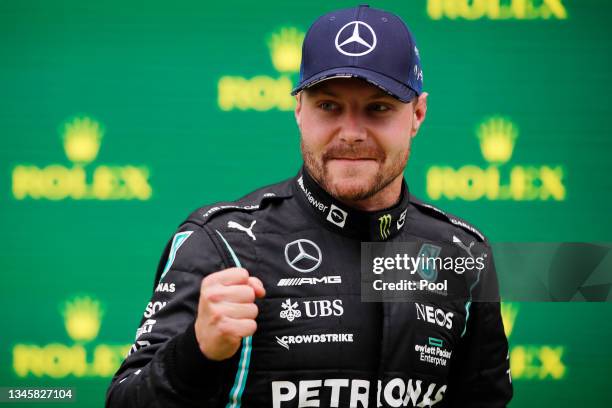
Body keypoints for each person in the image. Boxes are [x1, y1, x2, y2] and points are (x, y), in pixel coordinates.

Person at [106, 5, 512, 407]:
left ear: (417, 114)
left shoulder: (464, 255)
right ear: (300, 110)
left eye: (378, 108)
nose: (351, 133)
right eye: (329, 106)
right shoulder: (221, 245)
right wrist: (197, 351)